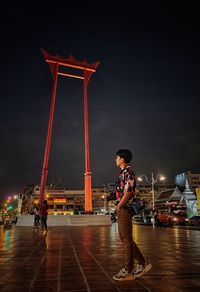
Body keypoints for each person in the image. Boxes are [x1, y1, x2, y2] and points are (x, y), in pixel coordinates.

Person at [112, 149, 152, 281]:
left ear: (122, 159)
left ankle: (128, 271)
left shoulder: (128, 172)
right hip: (122, 207)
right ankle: (142, 263)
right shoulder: (123, 173)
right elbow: (122, 190)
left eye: (117, 157)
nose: (116, 159)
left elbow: (129, 191)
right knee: (125, 239)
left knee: (127, 240)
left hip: (125, 208)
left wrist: (119, 205)